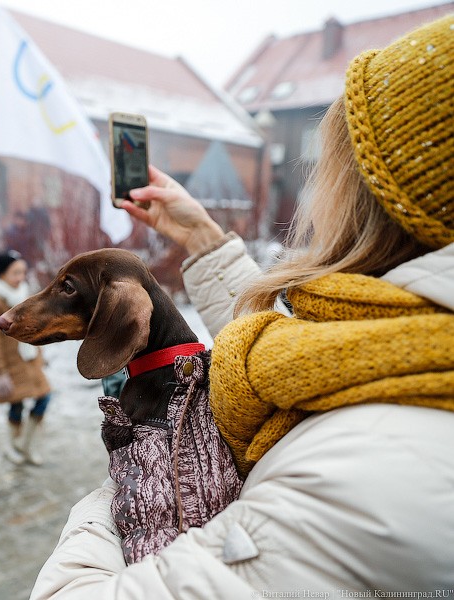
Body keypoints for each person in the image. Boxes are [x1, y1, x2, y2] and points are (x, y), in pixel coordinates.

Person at [31, 15, 453, 598]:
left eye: (329, 168)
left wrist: (128, 481)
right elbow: (298, 357)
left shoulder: (371, 467)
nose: (315, 192)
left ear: (380, 205)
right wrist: (203, 238)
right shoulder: (394, 352)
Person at [0, 250, 52, 466]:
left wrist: (40, 353)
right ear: (1, 274)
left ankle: (24, 443)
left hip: (30, 358)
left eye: (23, 272)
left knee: (44, 397)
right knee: (16, 404)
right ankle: (12, 445)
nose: (20, 278)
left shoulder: (24, 295)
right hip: (11, 362)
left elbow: (35, 329)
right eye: (15, 273)